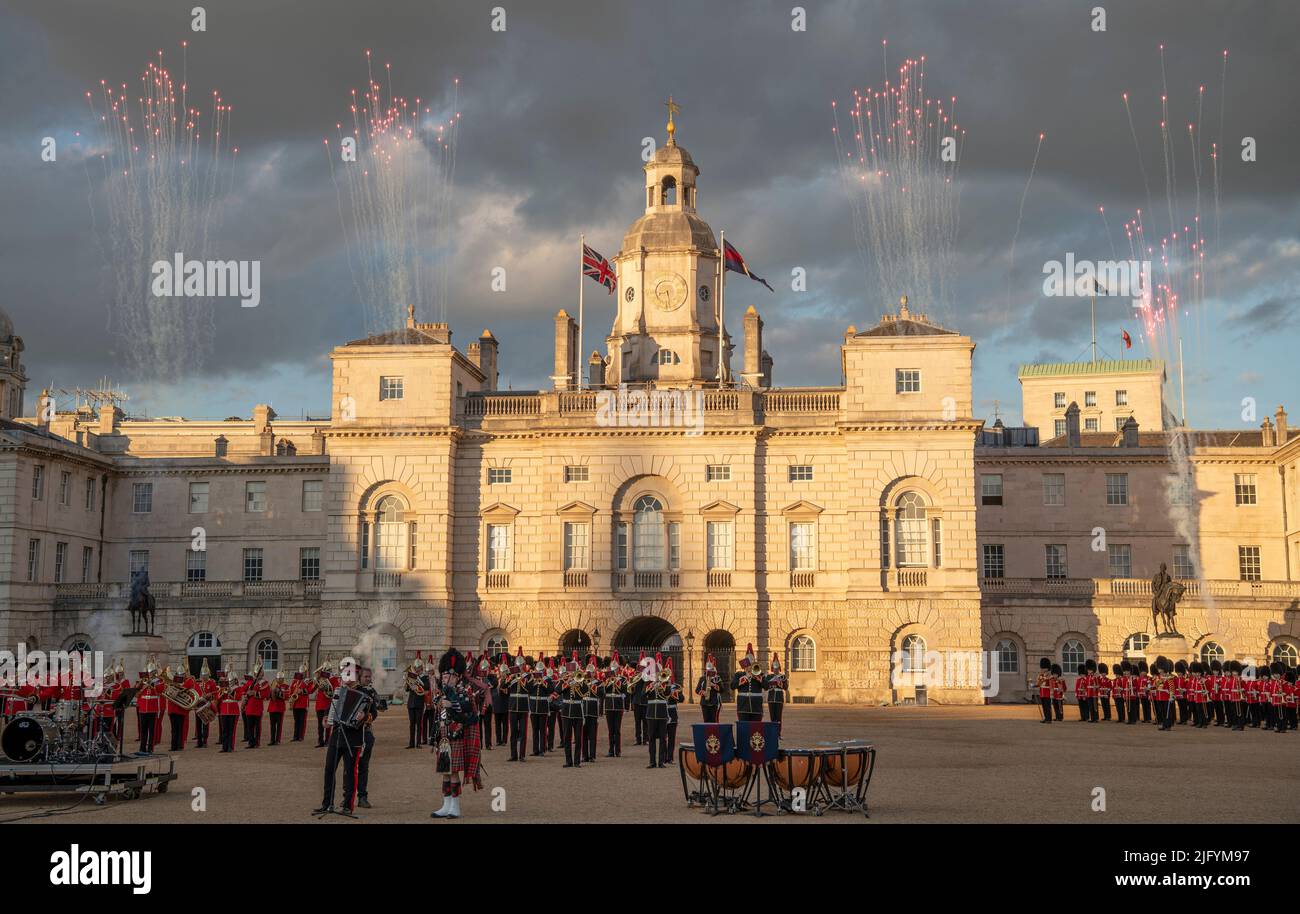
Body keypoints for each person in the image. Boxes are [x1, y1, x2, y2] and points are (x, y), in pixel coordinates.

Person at [430, 648, 483, 820]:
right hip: (444, 739)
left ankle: (455, 806)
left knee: (453, 773)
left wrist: (452, 705)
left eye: (448, 677)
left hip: (457, 737)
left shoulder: (464, 693)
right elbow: (440, 718)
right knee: (445, 771)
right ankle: (445, 805)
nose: (445, 680)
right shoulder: (442, 693)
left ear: (457, 676)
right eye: (443, 677)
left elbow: (469, 717)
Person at [315, 665, 373, 816]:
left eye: (349, 674)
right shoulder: (338, 691)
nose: (346, 677)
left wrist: (364, 717)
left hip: (353, 737)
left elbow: (372, 713)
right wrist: (326, 718)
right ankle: (327, 803)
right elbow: (330, 709)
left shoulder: (365, 693)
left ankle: (347, 806)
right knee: (329, 770)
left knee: (350, 772)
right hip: (336, 736)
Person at [354, 665, 385, 809]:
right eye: (365, 676)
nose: (368, 679)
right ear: (359, 677)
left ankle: (362, 797)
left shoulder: (372, 692)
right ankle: (348, 797)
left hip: (365, 732)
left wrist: (368, 717)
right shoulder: (353, 690)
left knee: (364, 766)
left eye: (369, 676)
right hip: (352, 733)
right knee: (350, 767)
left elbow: (377, 711)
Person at [644, 656, 672, 768]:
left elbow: (667, 695)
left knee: (662, 738)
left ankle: (661, 762)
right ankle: (652, 761)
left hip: (662, 713)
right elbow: (642, 695)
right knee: (651, 739)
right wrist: (650, 687)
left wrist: (665, 684)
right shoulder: (648, 683)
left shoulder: (665, 682)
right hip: (651, 713)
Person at [505, 648, 530, 762]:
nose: (519, 667)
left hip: (524, 706)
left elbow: (530, 689)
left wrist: (522, 679)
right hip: (513, 706)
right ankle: (513, 754)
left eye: (521, 665)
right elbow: (503, 687)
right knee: (513, 732)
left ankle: (522, 755)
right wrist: (509, 679)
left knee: (523, 733)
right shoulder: (511, 676)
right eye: (518, 665)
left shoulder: (528, 676)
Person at [599, 655, 627, 757]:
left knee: (617, 729)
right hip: (609, 705)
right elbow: (603, 692)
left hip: (618, 705)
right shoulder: (606, 678)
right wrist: (609, 682)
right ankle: (611, 750)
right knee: (610, 730)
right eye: (612, 669)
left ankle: (618, 750)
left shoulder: (622, 679)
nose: (614, 671)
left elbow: (624, 691)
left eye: (615, 669)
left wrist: (617, 681)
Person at [733, 645, 765, 723]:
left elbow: (767, 686)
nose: (749, 666)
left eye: (751, 664)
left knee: (756, 728)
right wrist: (741, 681)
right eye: (748, 664)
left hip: (756, 707)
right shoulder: (739, 675)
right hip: (743, 706)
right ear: (745, 664)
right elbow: (732, 686)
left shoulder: (760, 674)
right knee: (743, 727)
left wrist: (760, 679)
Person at [405, 655, 429, 748]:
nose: (416, 669)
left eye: (418, 668)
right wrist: (407, 682)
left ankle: (418, 743)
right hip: (411, 703)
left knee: (419, 724)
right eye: (415, 668)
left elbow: (426, 687)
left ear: (421, 668)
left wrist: (417, 682)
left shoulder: (425, 678)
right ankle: (411, 743)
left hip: (419, 703)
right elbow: (407, 689)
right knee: (411, 724)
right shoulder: (412, 677)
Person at [696, 654, 722, 723]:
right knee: (706, 720)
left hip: (714, 703)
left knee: (714, 721)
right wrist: (702, 692)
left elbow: (722, 689)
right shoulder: (702, 678)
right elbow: (697, 690)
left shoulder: (717, 678)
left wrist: (714, 685)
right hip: (704, 703)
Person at [218, 673, 241, 752]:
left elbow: (238, 697)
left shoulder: (237, 688)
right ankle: (224, 747)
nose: (229, 681)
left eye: (231, 680)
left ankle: (230, 747)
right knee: (224, 730)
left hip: (233, 711)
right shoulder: (223, 688)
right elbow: (219, 698)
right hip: (224, 711)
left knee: (231, 730)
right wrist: (222, 692)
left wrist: (230, 693)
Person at [290, 664, 311, 741]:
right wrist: (291, 697)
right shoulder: (295, 681)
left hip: (303, 703)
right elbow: (291, 690)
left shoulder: (307, 681)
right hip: (295, 703)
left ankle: (301, 736)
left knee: (302, 721)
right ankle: (295, 736)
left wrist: (302, 691)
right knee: (296, 721)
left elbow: (310, 690)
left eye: (303, 673)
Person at [267, 671, 289, 745]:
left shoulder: (285, 686)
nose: (279, 680)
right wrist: (272, 691)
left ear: (283, 679)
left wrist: (279, 691)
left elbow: (286, 696)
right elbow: (268, 696)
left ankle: (278, 740)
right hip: (272, 707)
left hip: (280, 707)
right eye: (278, 678)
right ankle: (272, 740)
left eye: (281, 679)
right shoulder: (273, 685)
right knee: (272, 725)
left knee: (279, 725)